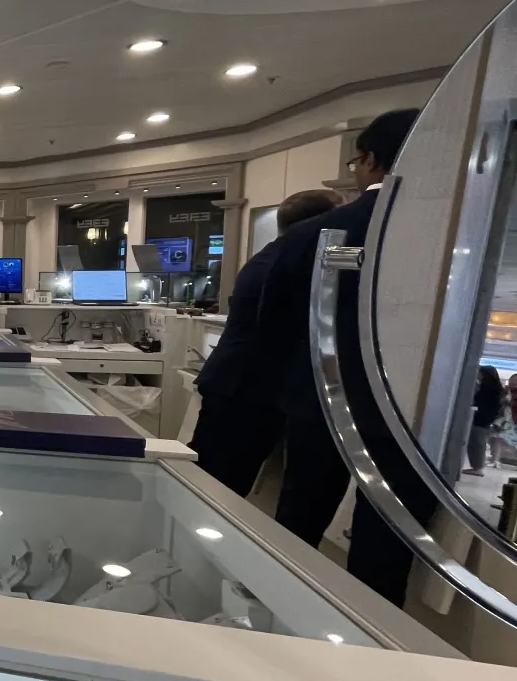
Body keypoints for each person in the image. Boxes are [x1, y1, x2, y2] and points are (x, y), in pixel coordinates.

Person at [254, 108, 430, 606]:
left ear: (370, 160)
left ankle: (277, 615)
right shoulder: (454, 234)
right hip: (415, 415)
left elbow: (274, 323)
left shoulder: (314, 233)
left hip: (321, 402)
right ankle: (370, 639)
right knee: (386, 551)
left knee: (298, 526)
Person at [189, 188, 342, 495]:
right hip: (246, 391)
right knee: (217, 487)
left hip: (240, 386)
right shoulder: (286, 263)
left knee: (216, 479)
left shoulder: (272, 256)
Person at [467, 365, 504, 476]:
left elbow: (482, 404)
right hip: (485, 420)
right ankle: (477, 466)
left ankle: (477, 467)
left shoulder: (489, 390)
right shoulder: (495, 390)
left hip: (481, 419)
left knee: (477, 443)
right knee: (478, 443)